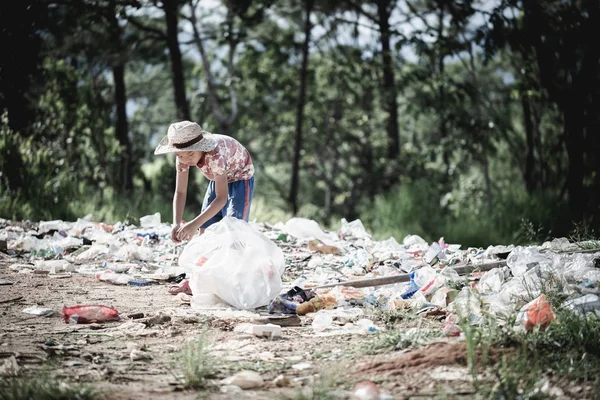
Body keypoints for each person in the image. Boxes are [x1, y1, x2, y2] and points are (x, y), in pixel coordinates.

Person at [154, 121, 255, 243]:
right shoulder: (182, 156)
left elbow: (221, 198)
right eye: (180, 156)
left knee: (235, 229)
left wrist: (193, 224)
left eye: (190, 153)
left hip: (240, 177)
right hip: (218, 177)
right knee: (205, 230)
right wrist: (177, 222)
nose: (186, 160)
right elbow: (180, 191)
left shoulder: (215, 156)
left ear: (201, 147)